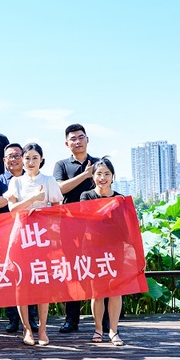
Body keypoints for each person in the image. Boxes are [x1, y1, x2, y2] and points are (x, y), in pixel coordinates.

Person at [5, 143, 64, 347]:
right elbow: (12, 209)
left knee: (42, 281)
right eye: (27, 158)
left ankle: (43, 328)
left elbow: (57, 207)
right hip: (21, 234)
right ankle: (27, 328)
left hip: (42, 236)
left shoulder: (49, 180)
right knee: (21, 281)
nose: (30, 162)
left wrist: (42, 212)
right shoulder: (16, 181)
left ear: (41, 160)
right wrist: (33, 199)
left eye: (34, 158)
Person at [54, 123, 101, 334]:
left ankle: (104, 320)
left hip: (96, 226)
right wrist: (85, 175)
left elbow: (106, 187)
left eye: (81, 137)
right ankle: (71, 320)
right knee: (72, 271)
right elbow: (60, 189)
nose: (78, 141)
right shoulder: (62, 165)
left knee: (98, 269)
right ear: (67, 144)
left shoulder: (100, 162)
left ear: (87, 139)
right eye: (73, 138)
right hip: (70, 225)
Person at [0, 143, 38, 333]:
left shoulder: (31, 178)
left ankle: (31, 318)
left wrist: (11, 200)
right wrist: (17, 198)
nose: (14, 159)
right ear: (4, 160)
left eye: (17, 155)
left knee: (30, 274)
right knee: (10, 274)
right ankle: (13, 318)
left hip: (30, 232)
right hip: (6, 232)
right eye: (10, 156)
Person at [80, 157, 125, 346]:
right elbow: (86, 221)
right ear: (93, 176)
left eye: (107, 174)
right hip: (94, 250)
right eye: (99, 174)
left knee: (116, 291)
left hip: (115, 250)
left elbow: (125, 228)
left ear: (113, 176)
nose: (102, 178)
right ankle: (98, 329)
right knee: (97, 292)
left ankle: (113, 331)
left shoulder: (120, 199)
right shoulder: (86, 196)